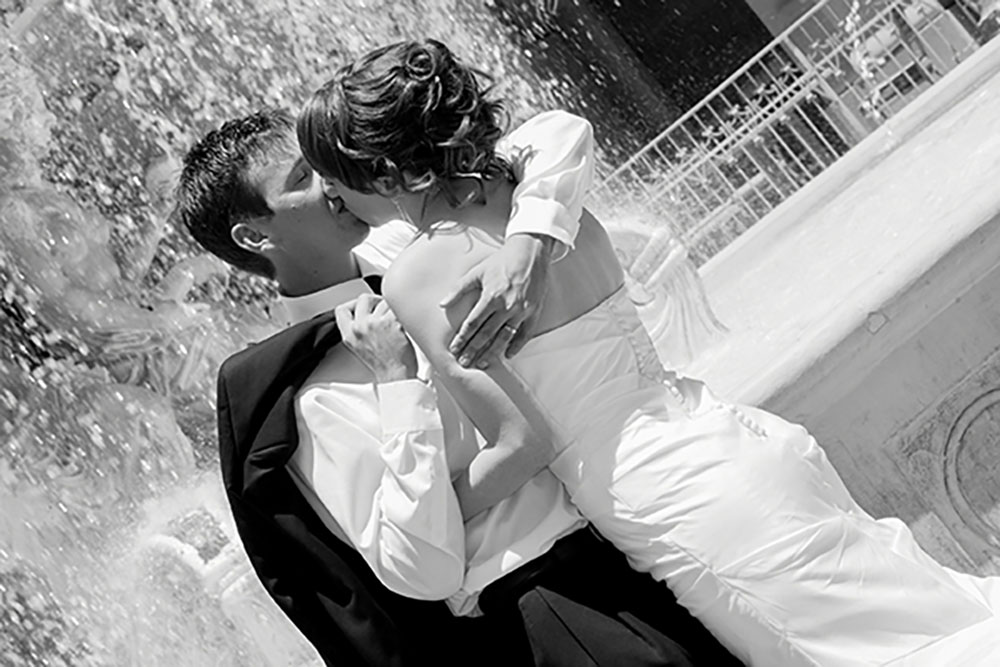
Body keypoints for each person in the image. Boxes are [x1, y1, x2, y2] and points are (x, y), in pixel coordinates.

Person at [297, 39, 1000, 666]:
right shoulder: (546, 208)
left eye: (337, 178)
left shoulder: (418, 274)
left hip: (667, 497)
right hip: (725, 434)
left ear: (383, 174)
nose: (334, 196)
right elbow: (553, 136)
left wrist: (432, 519)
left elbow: (523, 443)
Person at [176, 107, 739, 666]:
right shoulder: (310, 396)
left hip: (634, 547)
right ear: (255, 236)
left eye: (322, 163)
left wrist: (529, 242)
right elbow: (421, 570)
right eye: (302, 177)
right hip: (560, 606)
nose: (331, 181)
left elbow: (554, 138)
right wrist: (397, 383)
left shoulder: (420, 257)